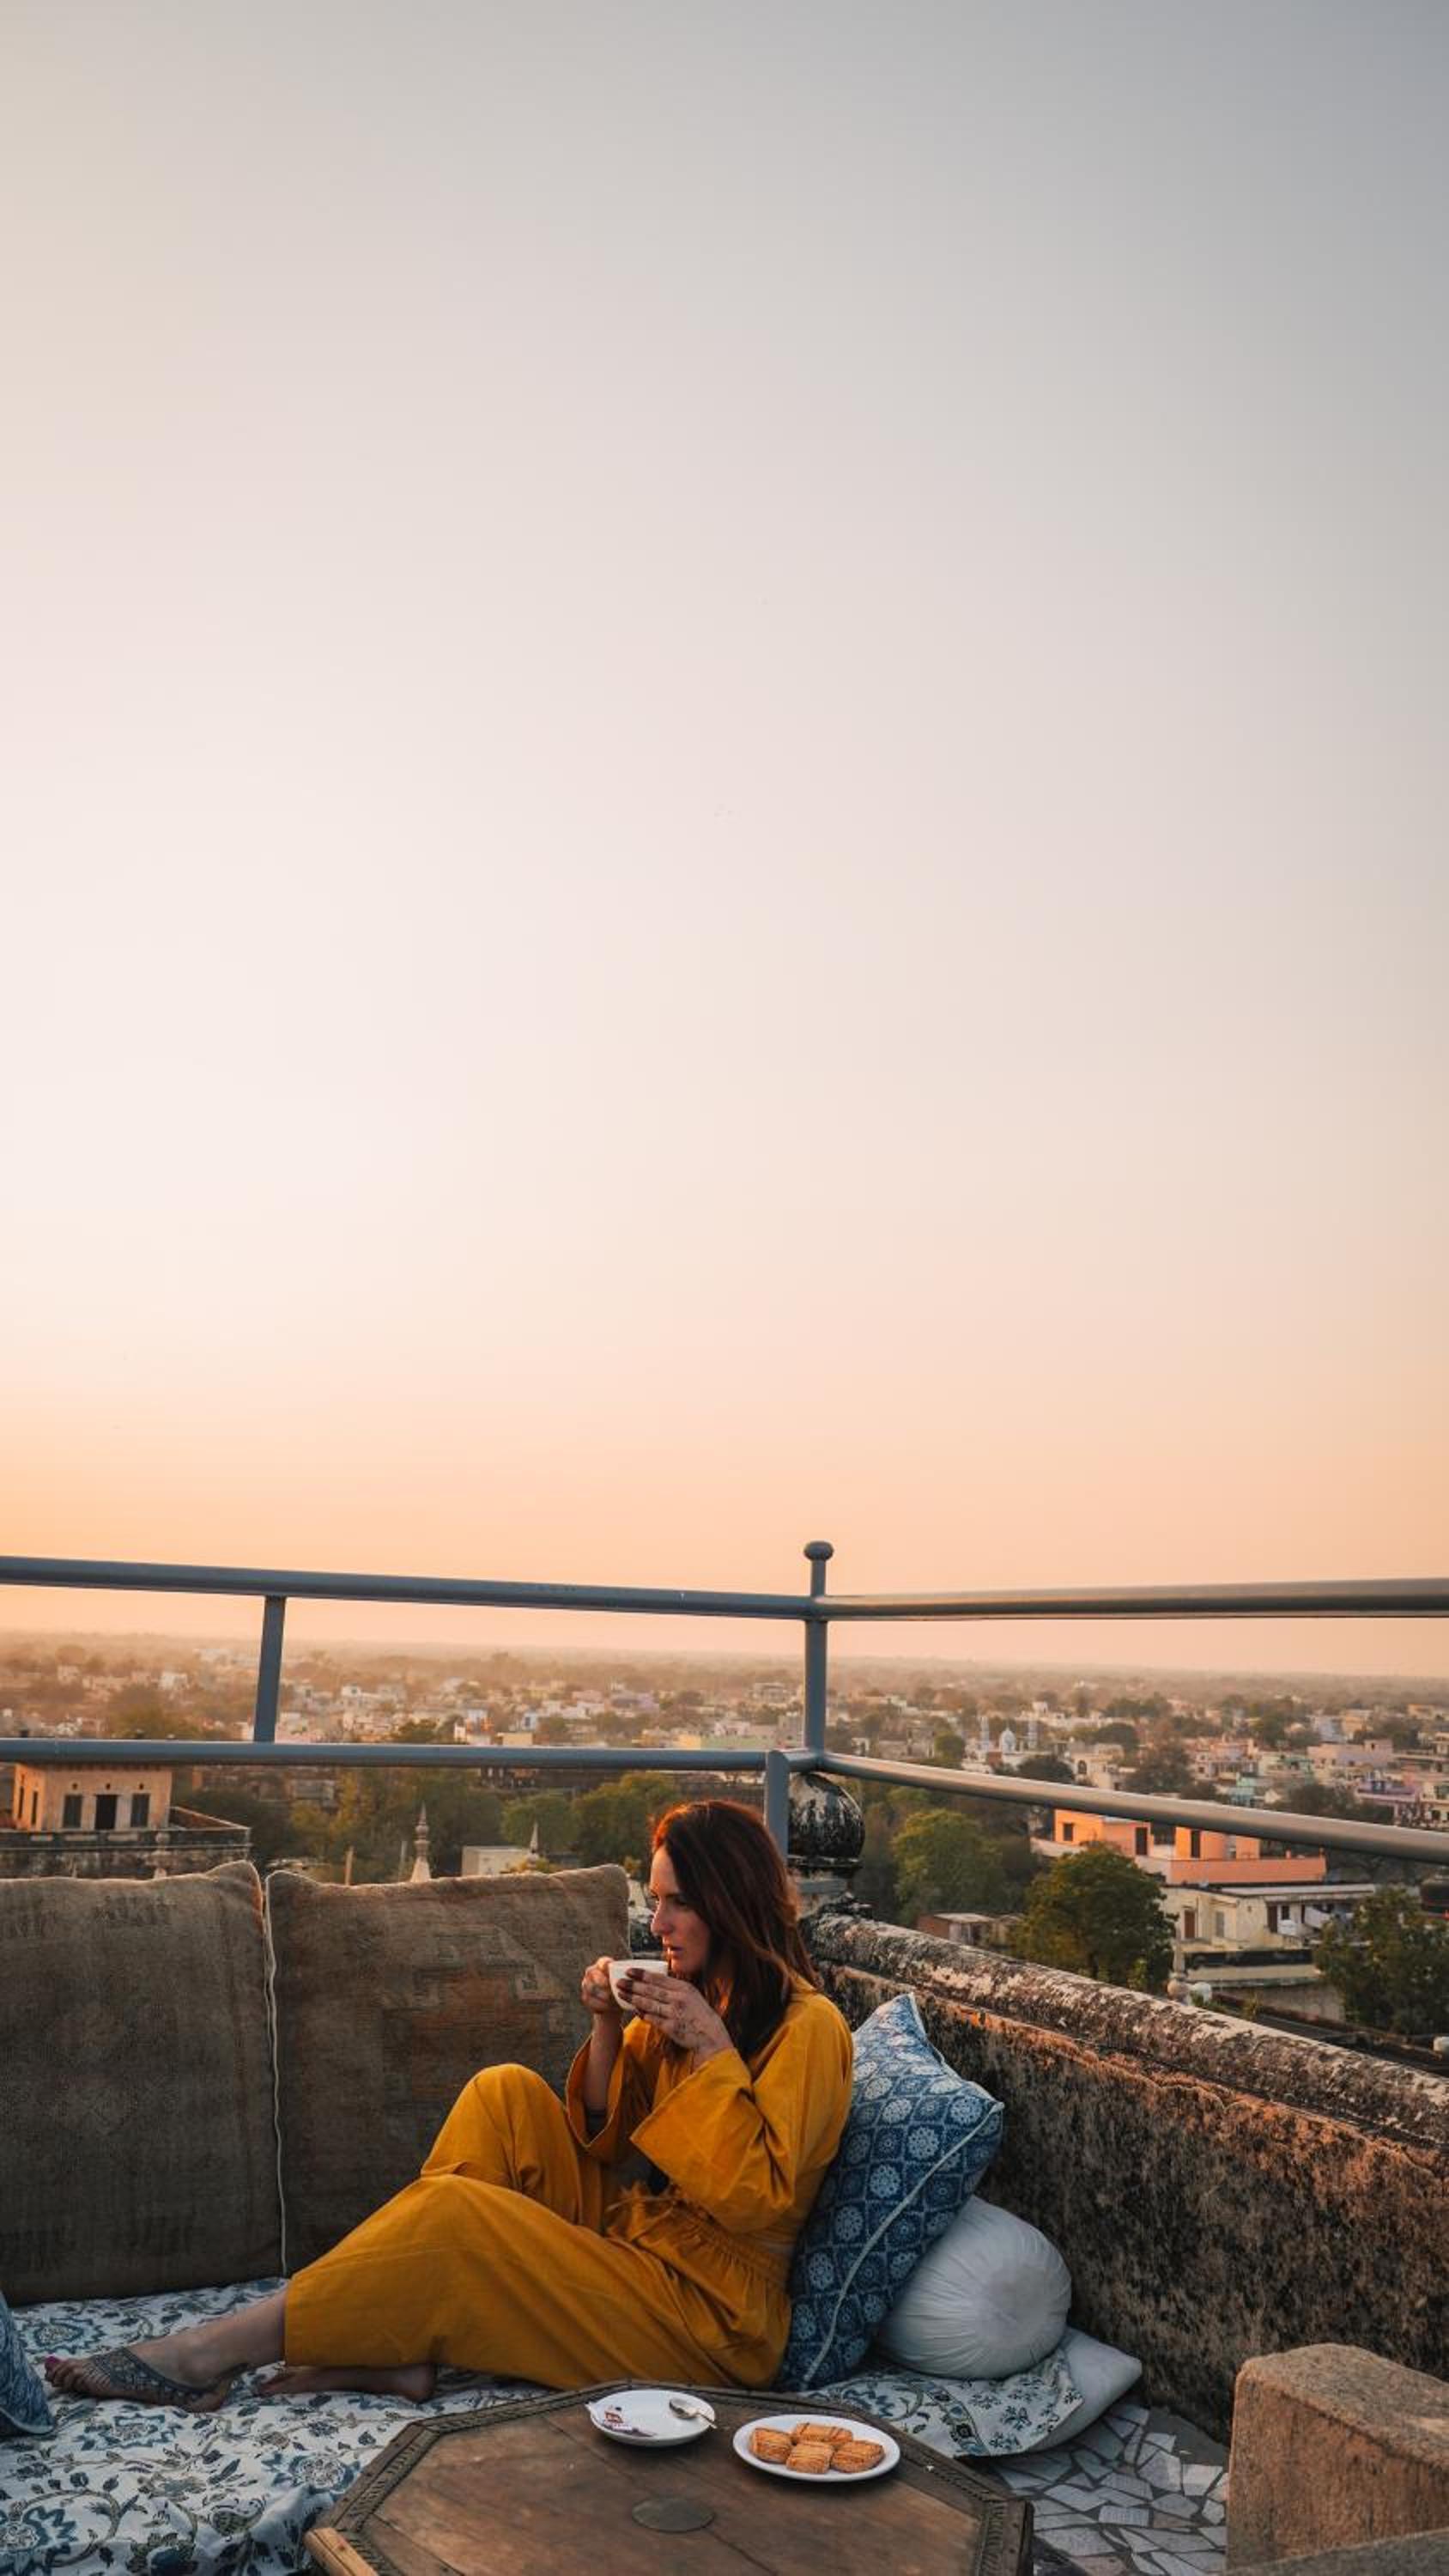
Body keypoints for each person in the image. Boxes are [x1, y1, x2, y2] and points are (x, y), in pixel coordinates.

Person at [45, 1798, 853, 2411]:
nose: (658, 1921)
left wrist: (711, 2049)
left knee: (460, 2219)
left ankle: (208, 2354)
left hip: (713, 2321)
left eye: (677, 1903)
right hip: (642, 2239)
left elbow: (757, 2200)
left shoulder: (807, 2028)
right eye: (655, 1898)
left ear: (730, 1903)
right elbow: (604, 2142)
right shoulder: (692, 1996)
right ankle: (405, 2346)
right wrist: (607, 2026)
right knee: (503, 2094)